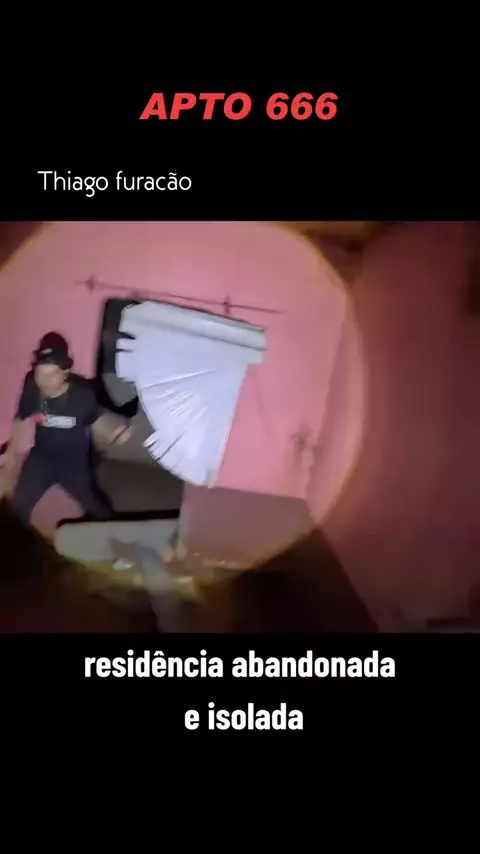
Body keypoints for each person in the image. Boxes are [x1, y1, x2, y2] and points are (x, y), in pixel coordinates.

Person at [2, 332, 133, 526]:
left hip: (72, 464)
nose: (44, 381)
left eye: (51, 374)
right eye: (40, 373)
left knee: (98, 510)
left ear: (65, 373)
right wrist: (11, 451)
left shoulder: (83, 395)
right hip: (41, 459)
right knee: (17, 510)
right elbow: (20, 418)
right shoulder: (31, 386)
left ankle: (118, 533)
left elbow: (97, 419)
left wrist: (116, 433)